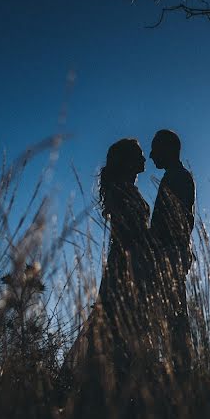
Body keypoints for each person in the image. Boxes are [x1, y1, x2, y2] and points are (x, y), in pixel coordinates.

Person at [95, 138, 151, 373]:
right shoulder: (122, 190)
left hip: (131, 263)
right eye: (138, 154)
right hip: (126, 265)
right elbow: (129, 232)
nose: (144, 158)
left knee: (128, 327)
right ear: (128, 161)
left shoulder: (126, 189)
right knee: (123, 325)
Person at [147, 129, 196, 371]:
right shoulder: (176, 176)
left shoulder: (178, 177)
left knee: (174, 317)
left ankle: (180, 370)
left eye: (154, 150)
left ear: (167, 149)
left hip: (168, 256)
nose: (150, 156)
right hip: (169, 255)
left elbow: (178, 222)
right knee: (169, 316)